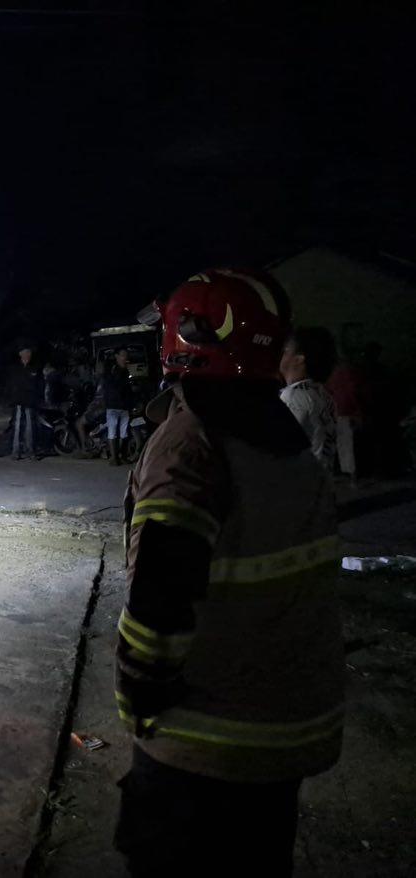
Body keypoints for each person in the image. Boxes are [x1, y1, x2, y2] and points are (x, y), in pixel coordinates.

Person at [115, 269, 343, 877]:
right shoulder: (285, 439)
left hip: (203, 743)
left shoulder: (191, 442)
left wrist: (137, 693)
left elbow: (161, 594)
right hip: (285, 734)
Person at [279, 326, 338, 470]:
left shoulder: (294, 396)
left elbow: (280, 446)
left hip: (300, 484)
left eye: (285, 351)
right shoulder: (321, 393)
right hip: (320, 480)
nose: (280, 355)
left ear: (299, 359)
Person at [326, 357, 363, 481]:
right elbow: (353, 392)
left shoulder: (332, 377)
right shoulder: (350, 375)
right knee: (350, 445)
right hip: (349, 412)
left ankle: (348, 475)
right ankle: (353, 477)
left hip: (339, 413)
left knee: (344, 445)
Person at [7, 343, 42, 460]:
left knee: (30, 426)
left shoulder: (35, 368)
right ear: (20, 354)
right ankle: (16, 451)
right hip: (18, 401)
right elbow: (12, 385)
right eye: (25, 352)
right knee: (17, 426)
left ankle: (30, 451)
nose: (27, 355)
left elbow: (38, 385)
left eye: (29, 352)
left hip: (30, 401)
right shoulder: (15, 368)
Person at [103, 347, 134, 466]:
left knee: (124, 433)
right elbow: (114, 386)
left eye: (126, 355)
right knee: (113, 432)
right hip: (113, 405)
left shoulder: (124, 370)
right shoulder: (113, 369)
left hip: (123, 405)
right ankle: (114, 458)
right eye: (123, 355)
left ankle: (122, 456)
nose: (125, 357)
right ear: (116, 356)